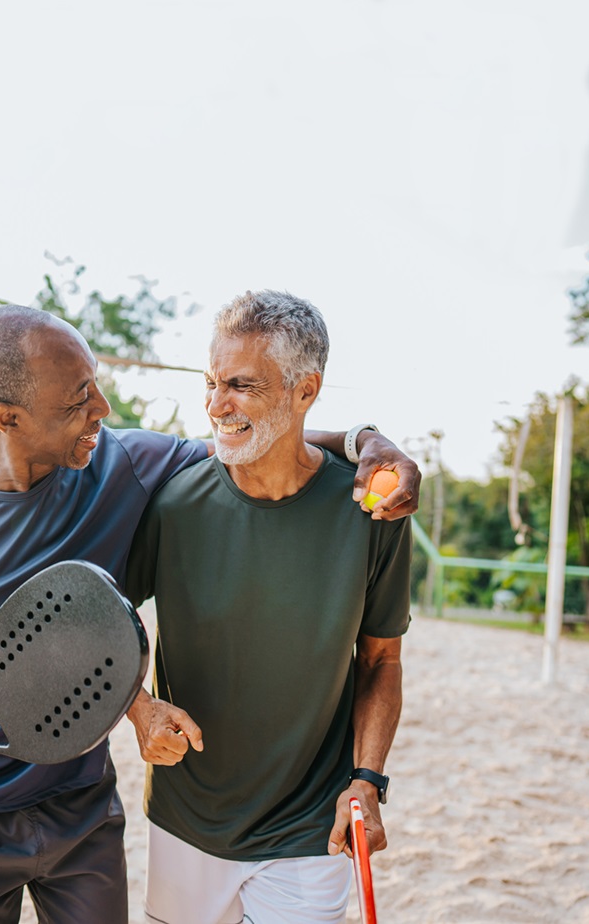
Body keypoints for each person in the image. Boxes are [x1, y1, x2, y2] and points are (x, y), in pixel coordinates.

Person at [0, 304, 418, 924]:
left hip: (83, 807)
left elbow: (255, 441)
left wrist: (368, 443)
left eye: (95, 384)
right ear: (7, 418)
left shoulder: (121, 464)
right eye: (79, 399)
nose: (102, 409)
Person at [124, 289, 412, 924]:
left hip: (312, 826)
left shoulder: (372, 509)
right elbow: (103, 618)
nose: (216, 405)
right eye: (211, 382)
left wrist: (368, 779)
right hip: (186, 818)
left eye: (242, 386)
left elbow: (382, 661)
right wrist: (138, 709)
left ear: (304, 391)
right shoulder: (174, 503)